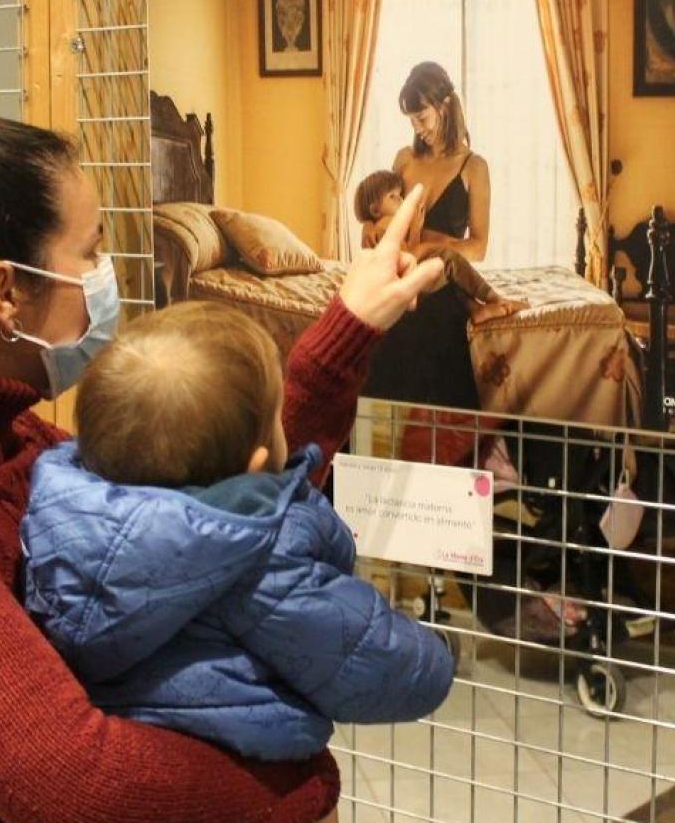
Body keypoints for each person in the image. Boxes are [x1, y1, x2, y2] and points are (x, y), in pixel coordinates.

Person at [0, 110, 444, 823]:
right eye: (91, 252)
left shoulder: (12, 440)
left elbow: (213, 512)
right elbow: (86, 790)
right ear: (5, 292)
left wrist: (351, 320)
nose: (106, 278)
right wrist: (298, 782)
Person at [23, 301, 455, 762]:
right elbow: (387, 670)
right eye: (278, 414)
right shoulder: (265, 562)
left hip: (133, 760)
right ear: (254, 467)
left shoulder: (59, 518)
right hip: (239, 768)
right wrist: (436, 653)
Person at [365, 62, 582, 642]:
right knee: (423, 424)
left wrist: (435, 244)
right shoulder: (402, 161)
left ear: (446, 104)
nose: (418, 125)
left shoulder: (473, 166)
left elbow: (479, 245)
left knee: (441, 425)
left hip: (443, 288)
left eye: (424, 113)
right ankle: (433, 562)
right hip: (410, 288)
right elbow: (381, 223)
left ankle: (469, 523)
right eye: (411, 116)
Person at [354, 169, 525, 327]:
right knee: (449, 259)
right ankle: (494, 298)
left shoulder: (375, 227)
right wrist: (415, 229)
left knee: (446, 276)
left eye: (400, 195)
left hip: (403, 283)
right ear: (375, 210)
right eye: (393, 196)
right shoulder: (385, 225)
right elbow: (408, 258)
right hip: (402, 289)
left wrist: (416, 229)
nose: (401, 200)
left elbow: (404, 257)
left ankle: (476, 309)